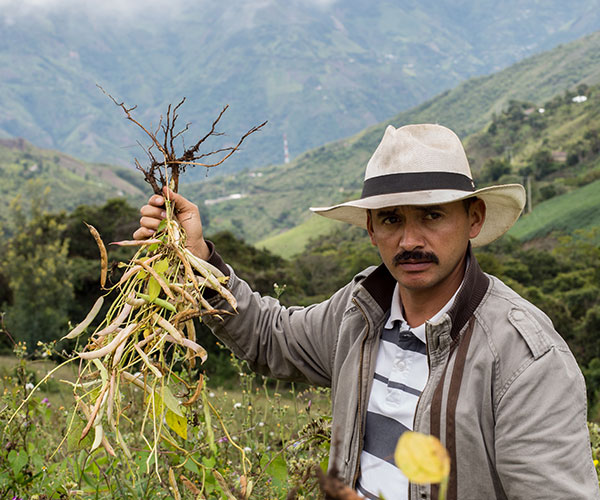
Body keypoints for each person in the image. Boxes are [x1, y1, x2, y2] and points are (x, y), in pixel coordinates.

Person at [135, 124, 600, 500]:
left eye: (433, 216)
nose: (410, 240)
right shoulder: (360, 311)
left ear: (473, 219)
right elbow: (270, 337)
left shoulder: (525, 360)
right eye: (392, 219)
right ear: (371, 230)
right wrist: (197, 262)